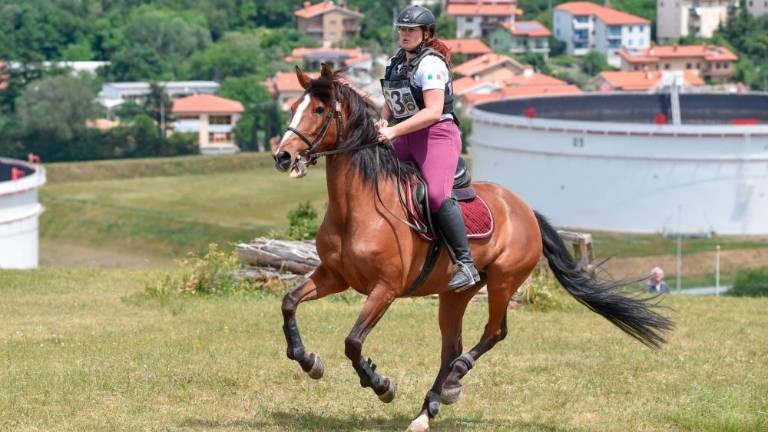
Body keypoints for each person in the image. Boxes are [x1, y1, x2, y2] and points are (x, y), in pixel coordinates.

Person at [377, 5, 480, 291]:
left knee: (436, 195)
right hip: (405, 135)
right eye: (402, 29)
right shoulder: (395, 61)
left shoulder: (431, 65)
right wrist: (382, 122)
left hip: (437, 135)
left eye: (411, 30)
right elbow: (392, 99)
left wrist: (394, 130)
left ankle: (466, 264)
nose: (405, 34)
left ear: (426, 33)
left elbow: (433, 111)